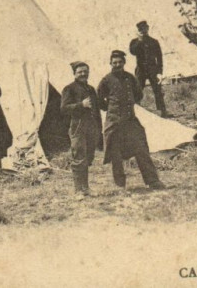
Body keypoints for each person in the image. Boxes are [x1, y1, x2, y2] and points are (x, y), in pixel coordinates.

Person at [97, 51, 165, 190]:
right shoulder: (106, 80)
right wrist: (111, 108)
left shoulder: (130, 78)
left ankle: (152, 181)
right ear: (110, 64)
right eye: (114, 62)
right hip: (115, 122)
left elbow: (138, 94)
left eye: (120, 62)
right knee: (116, 154)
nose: (117, 65)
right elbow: (99, 100)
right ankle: (120, 185)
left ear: (124, 63)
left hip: (130, 121)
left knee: (141, 150)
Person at [61, 62, 103, 198]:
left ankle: (86, 188)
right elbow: (64, 108)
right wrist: (81, 105)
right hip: (78, 125)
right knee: (79, 157)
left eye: (85, 71)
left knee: (88, 157)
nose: (83, 74)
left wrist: (98, 128)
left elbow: (97, 109)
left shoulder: (91, 89)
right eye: (80, 72)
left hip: (92, 126)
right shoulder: (69, 89)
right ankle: (79, 190)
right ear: (74, 74)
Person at [129, 21, 169, 119]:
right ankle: (134, 112)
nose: (143, 31)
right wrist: (139, 40)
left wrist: (160, 72)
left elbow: (159, 58)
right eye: (140, 29)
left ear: (148, 28)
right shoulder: (135, 42)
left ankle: (163, 112)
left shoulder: (154, 42)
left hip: (153, 70)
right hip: (140, 70)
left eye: (144, 28)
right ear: (138, 30)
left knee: (158, 91)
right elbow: (133, 52)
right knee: (137, 90)